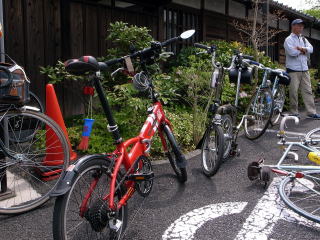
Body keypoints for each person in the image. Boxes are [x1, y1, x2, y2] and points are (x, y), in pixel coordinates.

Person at [284, 19, 320, 119]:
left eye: (302, 26)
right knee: (293, 91)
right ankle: (294, 112)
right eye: (299, 25)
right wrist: (304, 50)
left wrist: (300, 49)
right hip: (293, 69)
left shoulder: (303, 39)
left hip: (304, 69)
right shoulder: (288, 40)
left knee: (308, 90)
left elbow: (311, 49)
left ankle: (311, 112)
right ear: (293, 26)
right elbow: (292, 52)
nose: (301, 28)